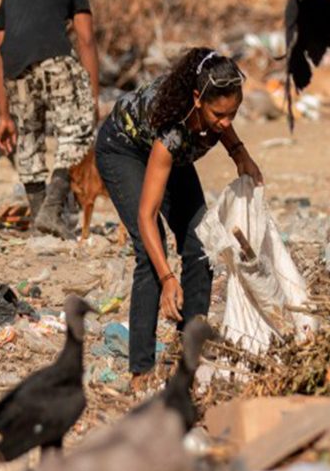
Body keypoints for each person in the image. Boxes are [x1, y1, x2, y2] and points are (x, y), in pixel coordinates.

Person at [95, 47, 263, 382]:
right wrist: (168, 279)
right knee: (150, 250)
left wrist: (239, 152)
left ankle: (190, 350)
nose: (226, 122)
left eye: (234, 113)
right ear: (198, 99)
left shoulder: (213, 110)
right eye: (219, 115)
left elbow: (221, 117)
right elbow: (146, 216)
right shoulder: (174, 128)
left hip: (171, 155)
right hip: (123, 149)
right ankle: (141, 369)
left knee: (200, 240)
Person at [0, 0, 100, 239]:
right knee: (77, 131)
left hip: (16, 67)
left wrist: (4, 116)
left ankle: (42, 220)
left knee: (28, 136)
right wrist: (92, 98)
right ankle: (51, 210)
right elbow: (86, 39)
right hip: (55, 58)